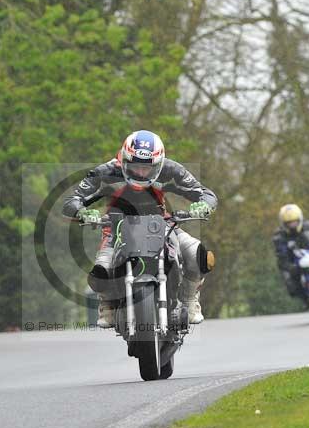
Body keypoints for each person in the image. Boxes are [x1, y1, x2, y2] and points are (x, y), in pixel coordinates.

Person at [63, 130, 217, 328]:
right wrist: (83, 212)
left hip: (164, 224)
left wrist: (203, 205)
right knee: (100, 270)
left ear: (159, 163)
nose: (141, 172)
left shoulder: (171, 170)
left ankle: (188, 297)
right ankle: (108, 303)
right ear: (124, 159)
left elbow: (206, 194)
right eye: (135, 166)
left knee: (199, 254)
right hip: (116, 228)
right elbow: (71, 200)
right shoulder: (105, 172)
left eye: (147, 168)